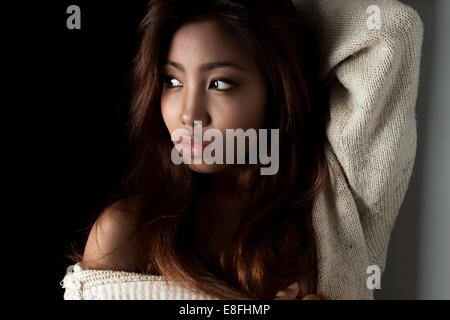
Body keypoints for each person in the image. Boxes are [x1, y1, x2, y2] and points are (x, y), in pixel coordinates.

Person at [61, 0, 423, 300]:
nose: (188, 113)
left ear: (277, 91)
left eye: (219, 83)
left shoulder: (334, 201)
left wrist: (273, 15)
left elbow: (391, 30)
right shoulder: (128, 233)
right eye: (173, 81)